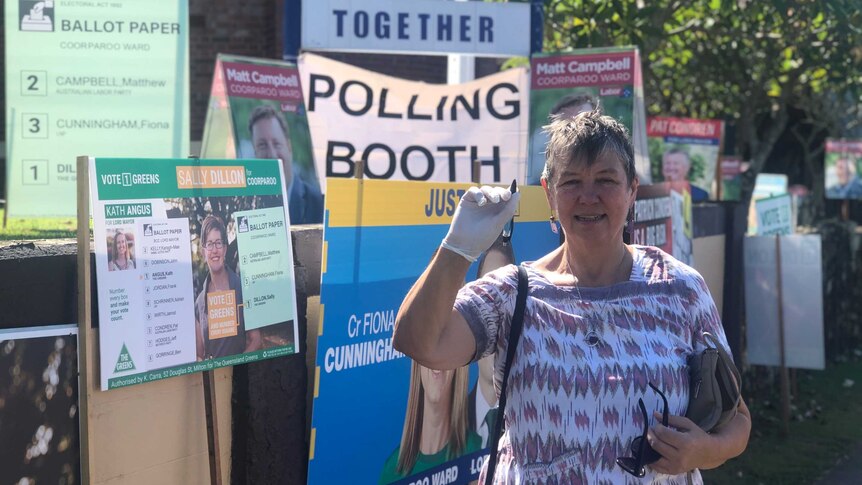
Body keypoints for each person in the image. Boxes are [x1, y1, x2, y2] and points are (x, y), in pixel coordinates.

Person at [394, 111, 751, 484]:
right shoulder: (513, 293)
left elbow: (737, 418)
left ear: (632, 189)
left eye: (606, 180)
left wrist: (704, 451)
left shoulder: (679, 288)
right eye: (572, 182)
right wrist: (457, 248)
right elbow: (419, 343)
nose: (588, 196)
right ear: (549, 193)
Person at [379, 362, 482, 483]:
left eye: (446, 348)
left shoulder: (476, 452)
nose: (437, 361)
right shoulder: (392, 473)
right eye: (429, 347)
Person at [194, 215, 261, 360]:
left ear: (225, 249)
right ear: (203, 251)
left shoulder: (242, 289)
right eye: (209, 244)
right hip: (213, 379)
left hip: (239, 377)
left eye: (218, 243)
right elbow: (199, 354)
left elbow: (256, 340)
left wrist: (236, 367)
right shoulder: (199, 303)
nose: (214, 250)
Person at [468, 237, 512, 447]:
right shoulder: (450, 425)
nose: (496, 320)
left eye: (505, 300)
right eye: (487, 300)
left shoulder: (537, 409)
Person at [248, 105, 324, 224]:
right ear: (255, 152)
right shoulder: (248, 206)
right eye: (262, 145)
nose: (272, 155)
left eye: (277, 144)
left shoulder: (319, 204)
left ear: (289, 147)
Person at [528, 94, 596, 185]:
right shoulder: (534, 190)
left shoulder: (616, 182)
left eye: (586, 124)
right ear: (551, 135)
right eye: (566, 127)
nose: (578, 134)